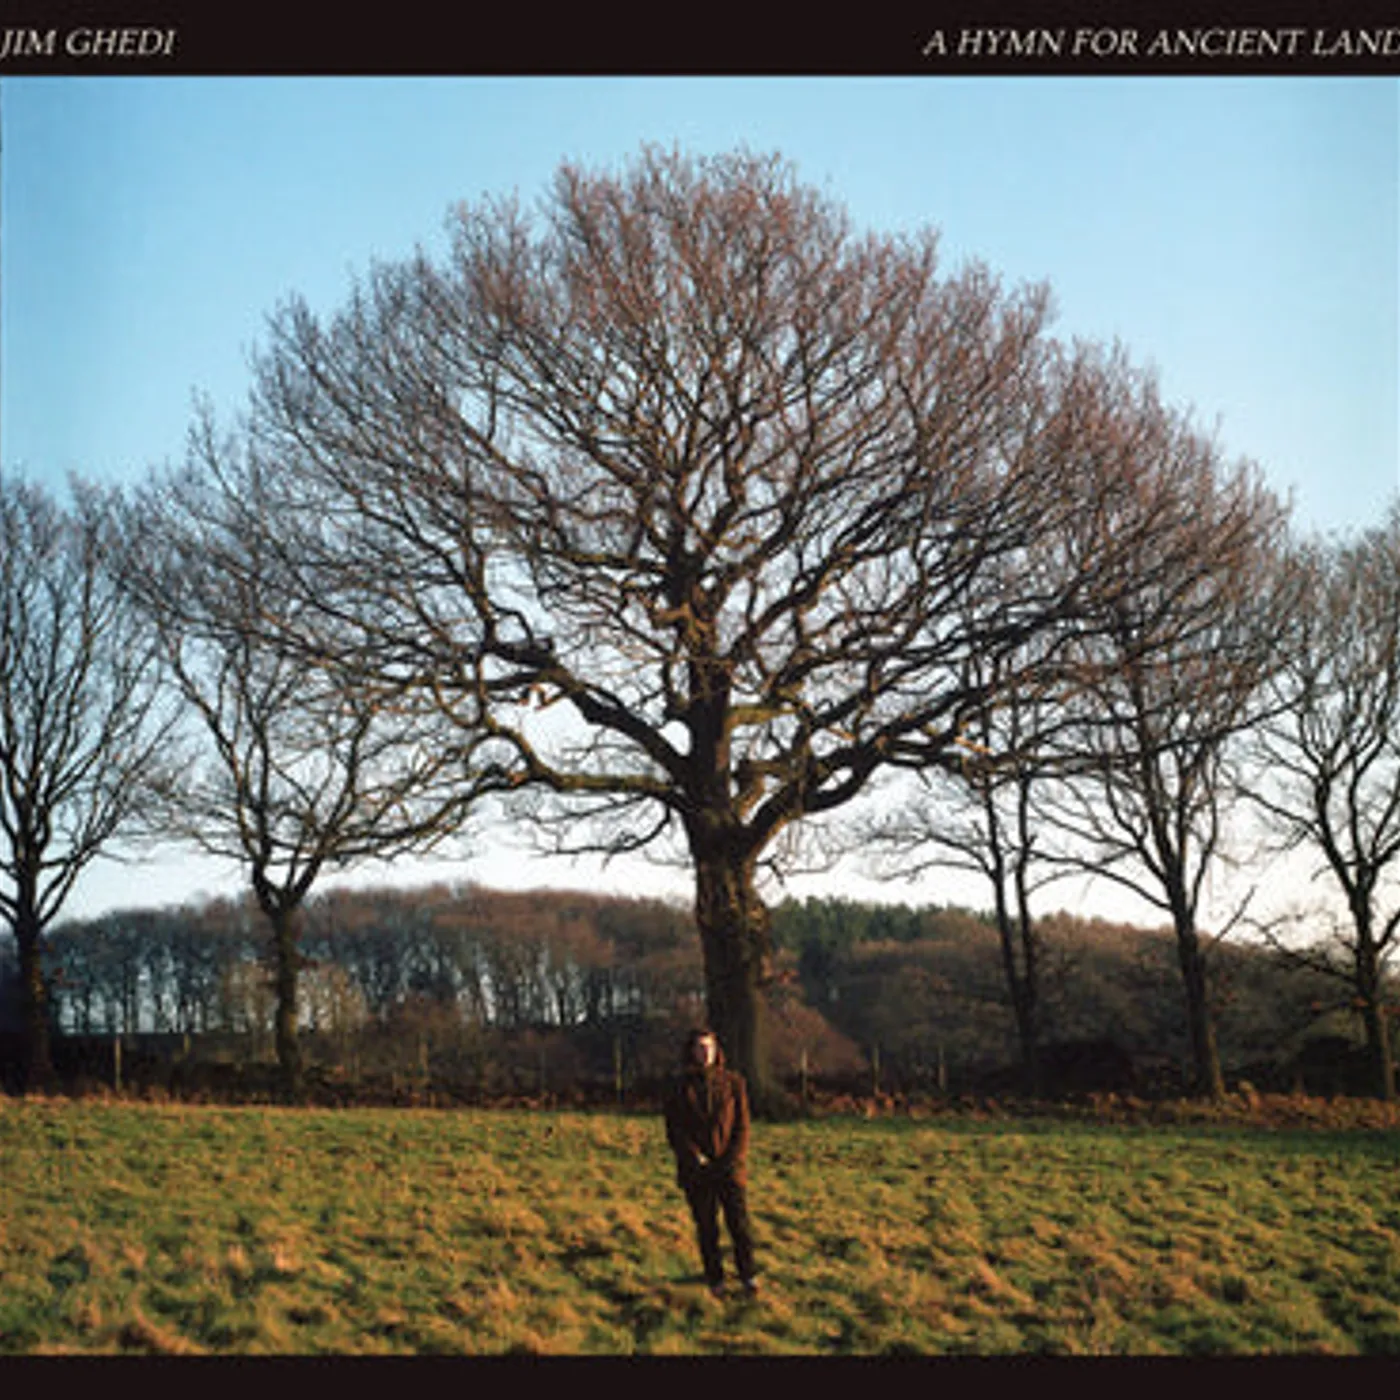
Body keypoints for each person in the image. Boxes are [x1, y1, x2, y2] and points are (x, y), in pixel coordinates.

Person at [663, 1027, 758, 1299]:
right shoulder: (678, 1087)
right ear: (691, 1051)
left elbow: (742, 1125)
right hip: (697, 1170)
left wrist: (731, 1158)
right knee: (707, 1227)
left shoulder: (734, 1083)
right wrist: (694, 1156)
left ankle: (748, 1275)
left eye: (709, 1048)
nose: (705, 1053)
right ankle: (715, 1280)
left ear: (717, 1051)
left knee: (739, 1224)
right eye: (700, 1048)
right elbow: (674, 1129)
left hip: (730, 1167)